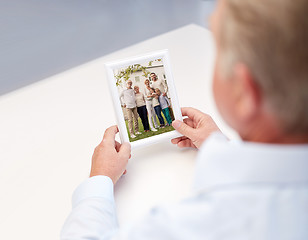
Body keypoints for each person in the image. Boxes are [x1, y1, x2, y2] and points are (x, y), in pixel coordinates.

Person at [61, 0, 308, 239]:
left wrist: (99, 180)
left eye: (218, 48)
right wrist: (217, 145)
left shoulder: (202, 224)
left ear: (244, 92)